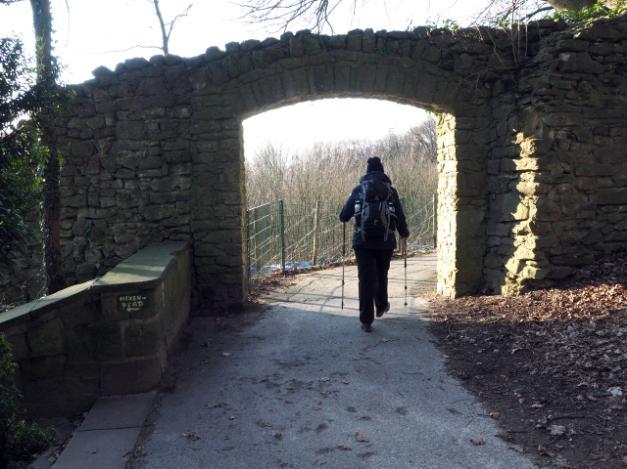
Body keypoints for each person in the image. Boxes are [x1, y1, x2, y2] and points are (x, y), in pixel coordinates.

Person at [339, 156, 409, 333]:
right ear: (382, 171)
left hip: (362, 242)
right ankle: (381, 304)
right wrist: (404, 233)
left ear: (367, 171)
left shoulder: (358, 190)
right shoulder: (391, 191)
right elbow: (399, 216)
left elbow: (343, 216)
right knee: (381, 274)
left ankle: (366, 321)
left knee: (365, 279)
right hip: (385, 242)